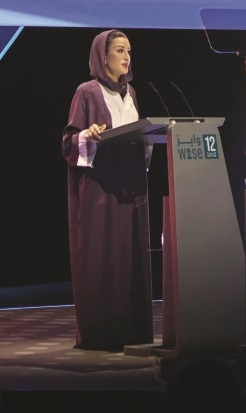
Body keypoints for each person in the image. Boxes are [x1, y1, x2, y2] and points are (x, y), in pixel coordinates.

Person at [62, 29, 153, 351]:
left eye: (129, 50)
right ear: (103, 57)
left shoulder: (132, 93)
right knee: (104, 255)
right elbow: (68, 142)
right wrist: (86, 135)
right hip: (102, 187)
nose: (127, 57)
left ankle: (133, 329)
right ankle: (102, 331)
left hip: (131, 186)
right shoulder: (87, 92)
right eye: (119, 50)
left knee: (131, 254)